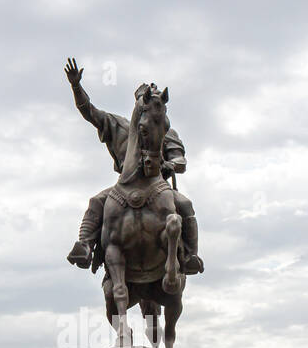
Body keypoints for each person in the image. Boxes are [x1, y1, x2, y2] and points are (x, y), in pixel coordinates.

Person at [63, 58, 203, 275]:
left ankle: (190, 256)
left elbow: (180, 161)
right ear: (139, 104)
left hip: (157, 186)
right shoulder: (117, 125)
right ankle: (85, 246)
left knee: (185, 205)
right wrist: (75, 86)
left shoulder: (166, 130)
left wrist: (169, 164)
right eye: (145, 99)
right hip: (125, 186)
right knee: (96, 201)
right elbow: (89, 112)